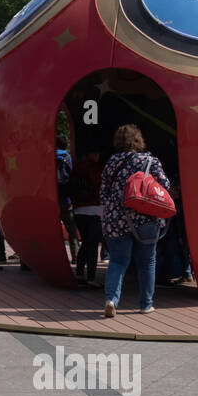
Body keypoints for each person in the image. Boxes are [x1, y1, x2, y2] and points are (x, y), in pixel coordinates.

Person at [99, 123, 172, 317]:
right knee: (147, 261)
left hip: (116, 218)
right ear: (138, 140)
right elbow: (165, 186)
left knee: (117, 261)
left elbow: (104, 193)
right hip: (146, 218)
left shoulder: (112, 162)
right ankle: (146, 304)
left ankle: (111, 300)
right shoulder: (150, 161)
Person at [71, 148, 104, 287]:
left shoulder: (77, 168)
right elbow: (100, 186)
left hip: (78, 210)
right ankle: (91, 277)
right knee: (93, 245)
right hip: (94, 209)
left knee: (85, 242)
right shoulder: (96, 168)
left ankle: (79, 273)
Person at [56, 136, 79, 262]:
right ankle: (76, 257)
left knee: (53, 231)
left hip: (52, 199)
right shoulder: (68, 157)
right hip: (66, 199)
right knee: (71, 230)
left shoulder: (49, 156)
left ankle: (56, 258)